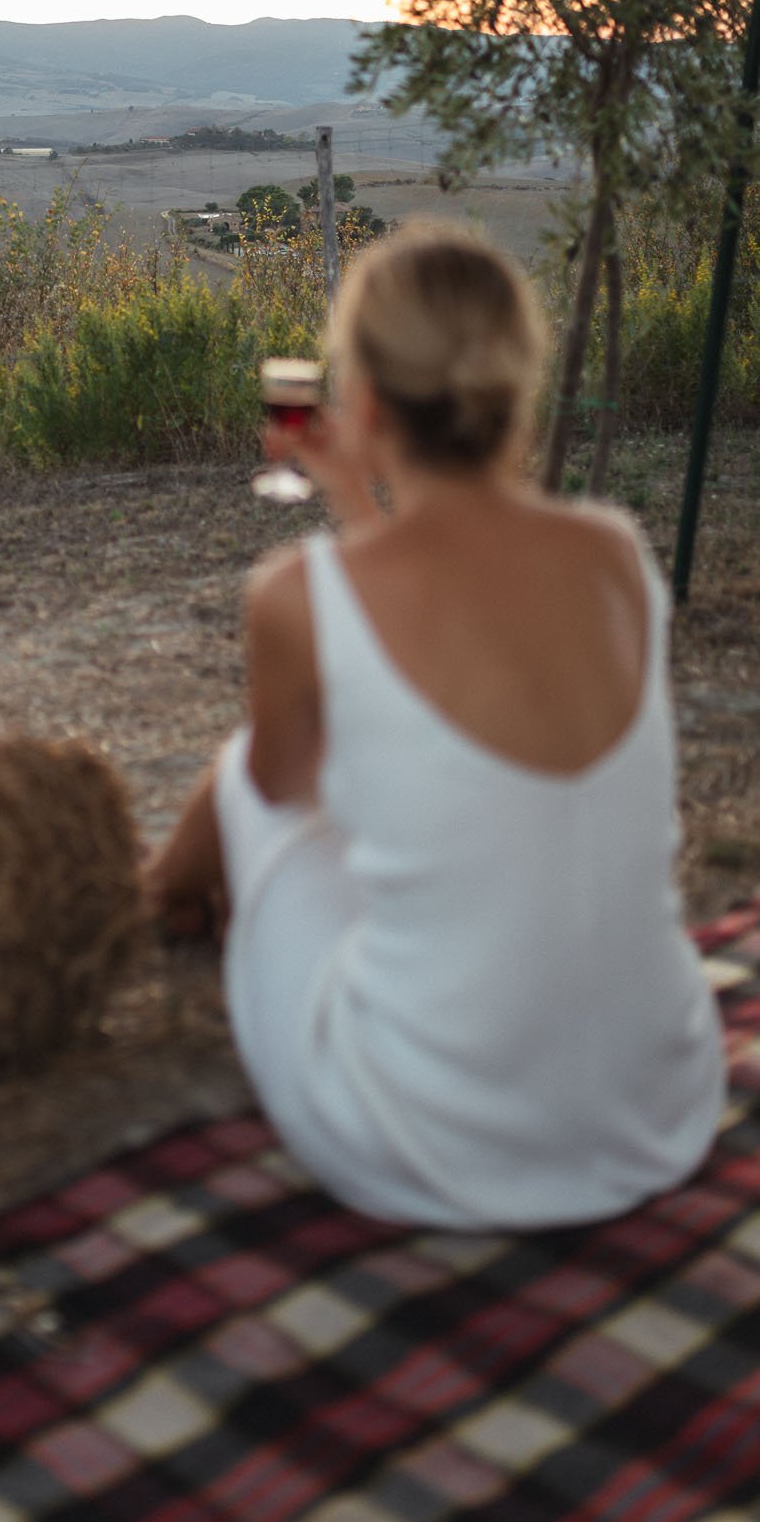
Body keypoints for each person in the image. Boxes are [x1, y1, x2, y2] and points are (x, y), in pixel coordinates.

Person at [142, 222, 724, 1230]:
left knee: (243, 770)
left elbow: (281, 788)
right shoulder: (615, 554)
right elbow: (451, 644)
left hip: (429, 1132)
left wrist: (346, 505)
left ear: (362, 401)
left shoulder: (293, 595)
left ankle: (153, 897)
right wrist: (350, 495)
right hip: (653, 1100)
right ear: (514, 389)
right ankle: (166, 894)